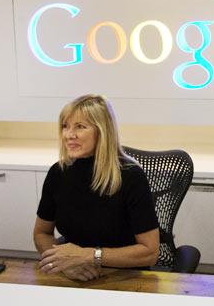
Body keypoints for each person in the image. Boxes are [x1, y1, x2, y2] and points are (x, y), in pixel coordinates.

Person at [33, 94, 159, 281]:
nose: (69, 135)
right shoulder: (58, 173)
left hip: (124, 275)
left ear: (102, 131)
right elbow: (41, 233)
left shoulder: (130, 176)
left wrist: (89, 256)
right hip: (75, 275)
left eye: (80, 127)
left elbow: (150, 252)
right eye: (65, 126)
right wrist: (63, 263)